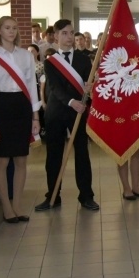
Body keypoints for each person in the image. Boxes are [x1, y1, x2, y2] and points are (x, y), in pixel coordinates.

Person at [0, 17, 41, 223]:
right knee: (2, 160)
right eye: (7, 28)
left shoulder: (26, 56)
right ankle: (6, 208)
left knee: (21, 160)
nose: (11, 31)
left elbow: (32, 87)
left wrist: (35, 116)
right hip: (2, 107)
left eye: (15, 28)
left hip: (22, 106)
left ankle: (17, 206)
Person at [35, 19, 98, 212]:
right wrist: (73, 102)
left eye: (71, 33)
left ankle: (86, 196)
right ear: (55, 36)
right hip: (56, 113)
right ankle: (52, 196)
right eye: (64, 33)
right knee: (54, 155)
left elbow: (88, 83)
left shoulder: (83, 59)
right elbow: (54, 88)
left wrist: (90, 87)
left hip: (78, 113)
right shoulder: (51, 61)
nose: (69, 37)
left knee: (82, 153)